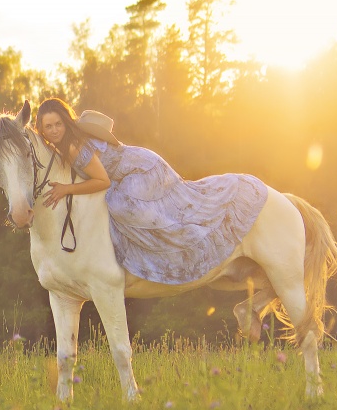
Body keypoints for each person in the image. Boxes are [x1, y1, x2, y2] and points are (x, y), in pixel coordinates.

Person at [34, 97, 268, 285]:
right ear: (42, 131)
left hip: (141, 170)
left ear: (66, 122)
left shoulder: (74, 146)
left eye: (58, 124)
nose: (54, 130)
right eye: (48, 127)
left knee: (118, 205)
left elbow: (102, 181)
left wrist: (67, 189)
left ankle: (183, 239)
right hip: (130, 171)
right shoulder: (63, 146)